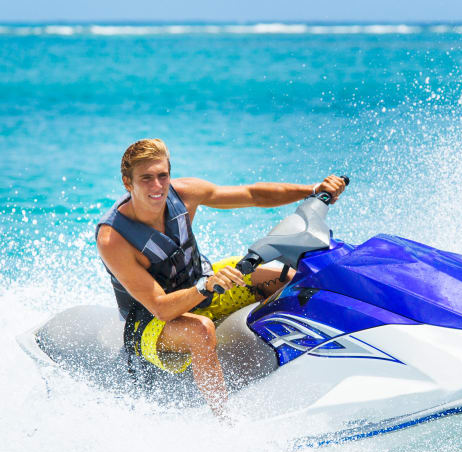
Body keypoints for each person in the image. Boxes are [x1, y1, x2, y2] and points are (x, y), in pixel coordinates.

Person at [96, 138, 345, 412]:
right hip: (150, 321)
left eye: (162, 176)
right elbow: (160, 307)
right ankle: (224, 422)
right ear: (127, 182)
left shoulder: (185, 193)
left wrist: (311, 190)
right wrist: (205, 287)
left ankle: (326, 358)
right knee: (200, 330)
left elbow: (252, 195)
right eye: (146, 179)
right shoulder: (113, 239)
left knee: (288, 277)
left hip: (201, 282)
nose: (157, 186)